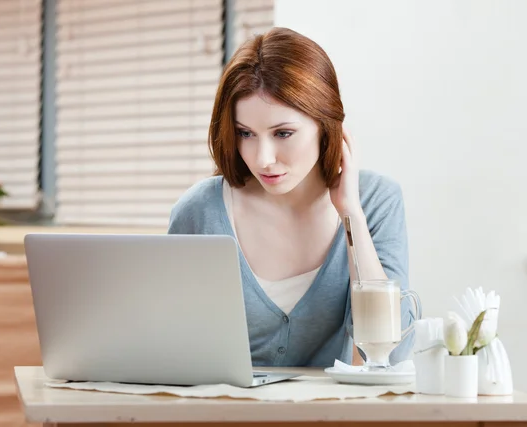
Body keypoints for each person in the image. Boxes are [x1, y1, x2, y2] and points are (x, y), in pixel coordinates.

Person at [167, 27, 415, 368]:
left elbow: (392, 351)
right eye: (246, 134)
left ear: (326, 125)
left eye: (283, 133)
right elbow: (171, 344)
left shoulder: (376, 201)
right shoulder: (200, 211)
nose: (263, 158)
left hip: (328, 417)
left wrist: (352, 215)